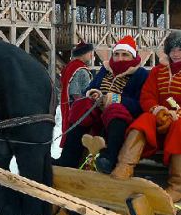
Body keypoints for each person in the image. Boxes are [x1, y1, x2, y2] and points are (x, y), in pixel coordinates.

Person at [111, 31, 181, 202]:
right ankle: (125, 166)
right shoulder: (158, 71)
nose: (175, 53)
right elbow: (147, 96)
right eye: (172, 49)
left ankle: (177, 186)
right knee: (144, 120)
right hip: (158, 119)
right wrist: (157, 110)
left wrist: (178, 115)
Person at [54, 35, 148, 172]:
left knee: (115, 109)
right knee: (82, 105)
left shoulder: (140, 74)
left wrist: (115, 99)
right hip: (98, 112)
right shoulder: (106, 69)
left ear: (133, 57)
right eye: (116, 54)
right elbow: (89, 88)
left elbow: (140, 104)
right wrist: (93, 93)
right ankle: (69, 158)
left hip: (121, 117)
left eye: (125, 55)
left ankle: (109, 159)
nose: (120, 58)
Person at [59, 42, 94, 147]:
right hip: (77, 111)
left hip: (69, 107)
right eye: (90, 53)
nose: (92, 55)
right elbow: (75, 93)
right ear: (83, 53)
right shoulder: (81, 70)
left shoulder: (71, 66)